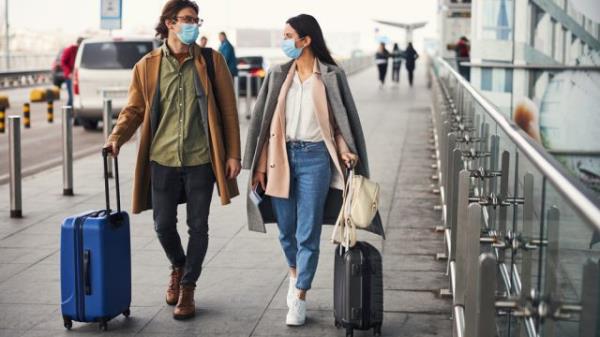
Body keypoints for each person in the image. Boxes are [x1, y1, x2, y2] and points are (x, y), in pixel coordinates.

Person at [242, 14, 384, 327]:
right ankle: (295, 276)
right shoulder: (278, 74)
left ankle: (301, 296)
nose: (284, 41)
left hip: (316, 159)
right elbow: (264, 125)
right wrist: (260, 165)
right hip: (281, 157)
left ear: (306, 40)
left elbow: (337, 123)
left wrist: (345, 149)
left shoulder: (331, 76)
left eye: (289, 35)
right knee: (286, 230)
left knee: (307, 232)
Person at [102, 0, 241, 320]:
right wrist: (116, 138)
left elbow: (229, 110)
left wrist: (233, 153)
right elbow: (134, 110)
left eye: (197, 19)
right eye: (188, 19)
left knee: (198, 226)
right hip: (161, 158)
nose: (194, 24)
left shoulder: (211, 60)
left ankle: (188, 287)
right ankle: (179, 265)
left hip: (201, 159)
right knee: (162, 225)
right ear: (169, 23)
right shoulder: (147, 65)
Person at [61, 37, 84, 107]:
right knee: (72, 98)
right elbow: (63, 62)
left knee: (78, 99)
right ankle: (67, 115)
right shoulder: (70, 49)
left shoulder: (82, 51)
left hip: (79, 77)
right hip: (70, 77)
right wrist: (69, 73)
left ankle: (75, 115)